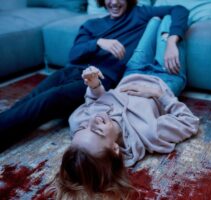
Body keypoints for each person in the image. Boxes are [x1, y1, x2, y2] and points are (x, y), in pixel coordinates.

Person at [0, 0, 189, 152]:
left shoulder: (138, 14)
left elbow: (179, 9)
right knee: (33, 96)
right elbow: (74, 54)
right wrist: (98, 42)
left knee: (52, 97)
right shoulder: (92, 25)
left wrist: (172, 41)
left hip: (100, 80)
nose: (114, 2)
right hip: (73, 71)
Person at [53, 16, 199, 199]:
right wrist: (158, 95)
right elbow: (190, 122)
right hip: (165, 76)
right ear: (114, 149)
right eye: (97, 131)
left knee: (152, 21)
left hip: (132, 71)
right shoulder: (149, 133)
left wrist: (94, 85)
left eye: (84, 128)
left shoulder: (78, 123)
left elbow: (93, 104)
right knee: (169, 20)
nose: (93, 120)